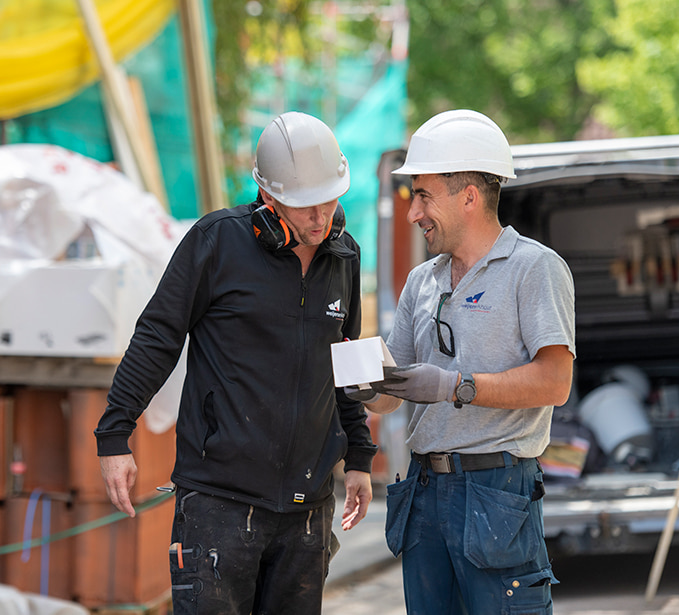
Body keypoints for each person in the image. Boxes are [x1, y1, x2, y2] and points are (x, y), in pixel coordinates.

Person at [95, 111, 377, 615]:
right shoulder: (216, 242)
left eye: (329, 201)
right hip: (218, 505)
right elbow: (158, 335)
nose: (320, 218)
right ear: (269, 200)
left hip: (307, 511)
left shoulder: (345, 257)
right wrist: (115, 433)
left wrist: (358, 456)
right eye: (305, 206)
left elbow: (346, 358)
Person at [357, 109, 575, 614]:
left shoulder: (535, 269)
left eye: (423, 196)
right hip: (424, 491)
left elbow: (555, 382)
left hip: (496, 492)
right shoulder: (422, 281)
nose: (414, 213)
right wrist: (370, 386)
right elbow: (397, 394)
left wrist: (457, 386)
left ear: (469, 197)